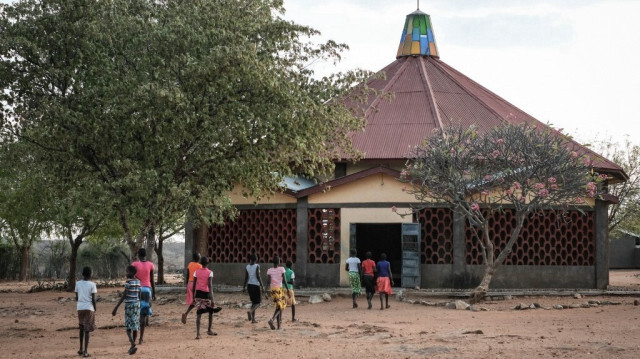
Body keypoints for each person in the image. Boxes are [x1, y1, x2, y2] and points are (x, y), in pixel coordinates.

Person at [112, 265, 141, 355]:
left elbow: (124, 295)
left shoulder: (128, 282)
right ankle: (133, 345)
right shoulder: (138, 282)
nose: (126, 273)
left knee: (128, 326)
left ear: (131, 273)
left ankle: (132, 343)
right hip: (137, 305)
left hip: (129, 305)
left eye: (127, 271)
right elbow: (139, 294)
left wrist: (116, 307)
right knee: (135, 325)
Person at [192, 256, 221, 339]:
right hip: (206, 294)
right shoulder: (210, 272)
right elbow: (210, 286)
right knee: (211, 311)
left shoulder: (196, 272)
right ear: (207, 263)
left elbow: (194, 285)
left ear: (200, 263)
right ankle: (209, 330)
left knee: (199, 313)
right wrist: (213, 299)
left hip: (198, 293)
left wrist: (194, 295)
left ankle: (198, 334)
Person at [131, 248, 155, 344]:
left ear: (138, 255)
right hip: (147, 289)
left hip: (136, 289)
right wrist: (154, 293)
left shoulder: (134, 264)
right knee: (143, 315)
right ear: (146, 255)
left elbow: (131, 276)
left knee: (135, 312)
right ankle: (141, 338)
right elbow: (152, 280)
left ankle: (134, 338)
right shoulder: (150, 265)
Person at [75, 266, 97, 358]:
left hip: (80, 308)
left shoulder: (78, 284)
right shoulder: (92, 285)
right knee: (87, 330)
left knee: (81, 328)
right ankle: (86, 351)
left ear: (82, 274)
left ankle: (80, 349)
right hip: (89, 308)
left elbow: (76, 297)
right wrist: (95, 308)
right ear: (91, 274)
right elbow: (93, 299)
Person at [266, 255, 287, 330]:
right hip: (279, 290)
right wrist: (287, 289)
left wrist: (265, 291)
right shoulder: (282, 269)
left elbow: (268, 282)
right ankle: (272, 320)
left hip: (272, 290)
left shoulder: (269, 270)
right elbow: (284, 280)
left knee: (278, 306)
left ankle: (279, 326)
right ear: (279, 262)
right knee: (281, 306)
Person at [242, 254, 264, 323]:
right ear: (256, 260)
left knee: (253, 302)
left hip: (249, 285)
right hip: (256, 285)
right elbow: (258, 276)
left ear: (250, 259)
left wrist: (244, 287)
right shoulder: (257, 266)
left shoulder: (247, 266)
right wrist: (262, 286)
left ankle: (253, 319)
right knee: (259, 302)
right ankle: (250, 311)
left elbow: (246, 277)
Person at [181, 252, 202, 324]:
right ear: (198, 258)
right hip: (196, 284)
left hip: (190, 283)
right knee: (197, 301)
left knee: (194, 301)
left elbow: (187, 275)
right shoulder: (200, 266)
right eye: (200, 256)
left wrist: (186, 284)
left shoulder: (190, 264)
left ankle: (186, 314)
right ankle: (197, 317)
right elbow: (200, 277)